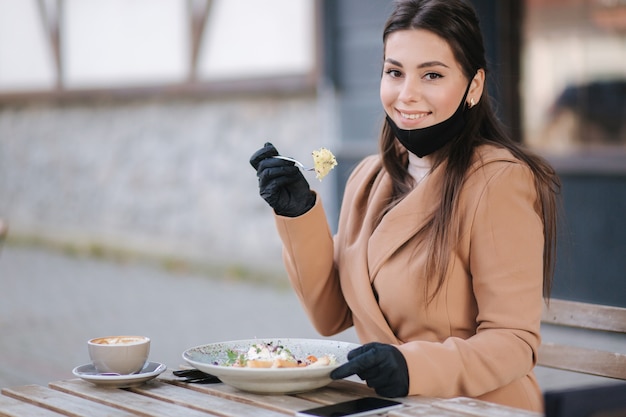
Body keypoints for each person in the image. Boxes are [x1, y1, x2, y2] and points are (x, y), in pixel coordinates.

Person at [250, 0, 560, 412]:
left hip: (480, 407)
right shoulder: (369, 178)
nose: (407, 94)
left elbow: (514, 342)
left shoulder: (499, 181)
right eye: (394, 72)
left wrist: (412, 367)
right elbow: (329, 317)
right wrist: (299, 214)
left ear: (475, 85)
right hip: (393, 406)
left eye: (432, 74)